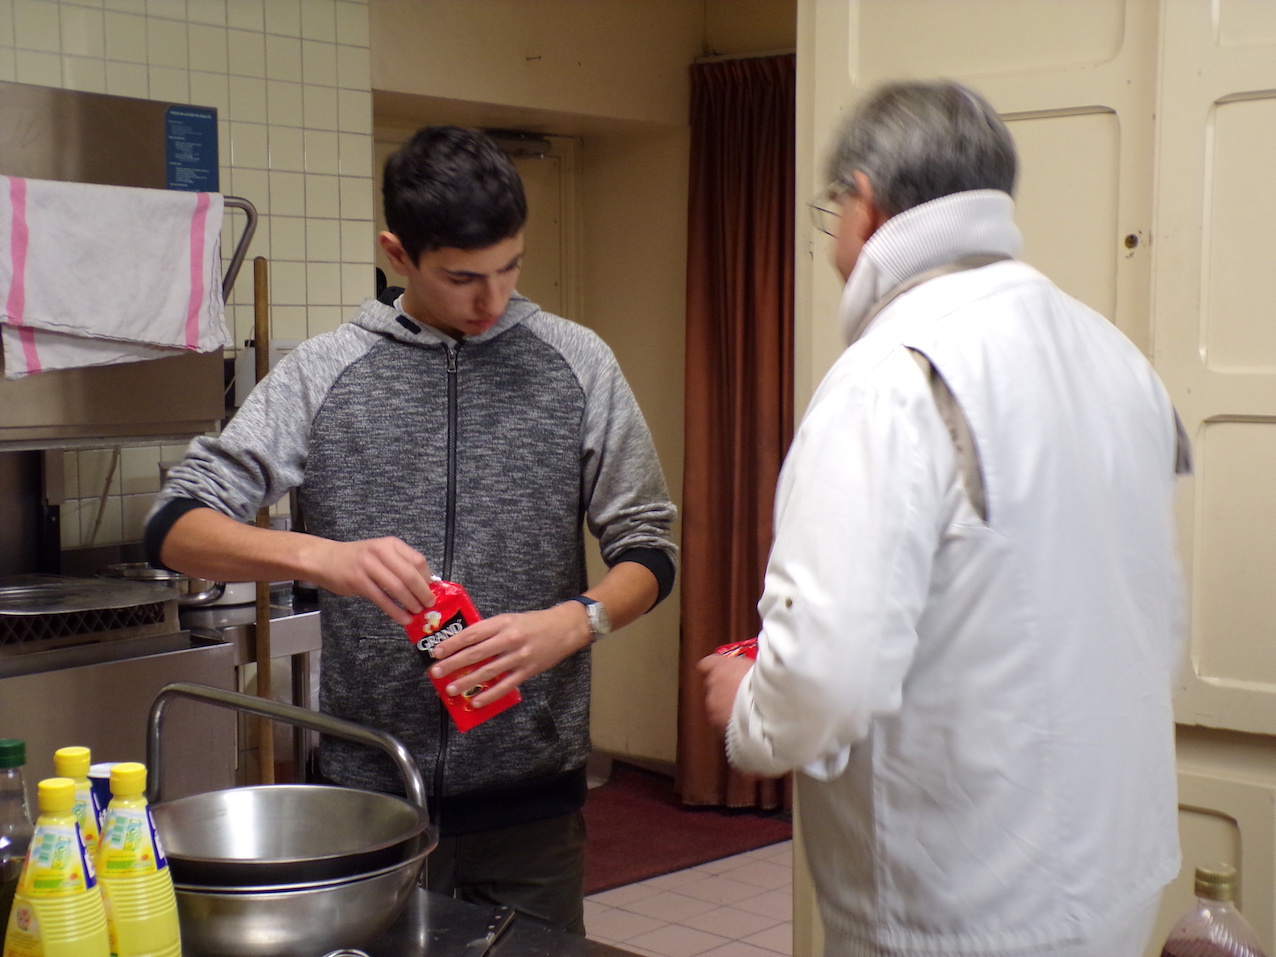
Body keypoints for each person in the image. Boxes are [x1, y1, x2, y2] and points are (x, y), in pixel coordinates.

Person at [146, 125, 677, 934]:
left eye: (510, 268)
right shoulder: (325, 372)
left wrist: (575, 622)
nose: (492, 300)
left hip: (531, 799)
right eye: (463, 278)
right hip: (370, 801)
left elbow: (650, 549)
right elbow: (173, 524)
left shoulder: (577, 362)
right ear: (397, 253)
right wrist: (322, 557)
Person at [698, 80, 1187, 957]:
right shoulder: (1114, 356)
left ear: (863, 204)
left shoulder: (892, 373)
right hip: (1117, 870)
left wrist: (751, 710)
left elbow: (826, 676)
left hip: (960, 906)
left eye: (830, 216)